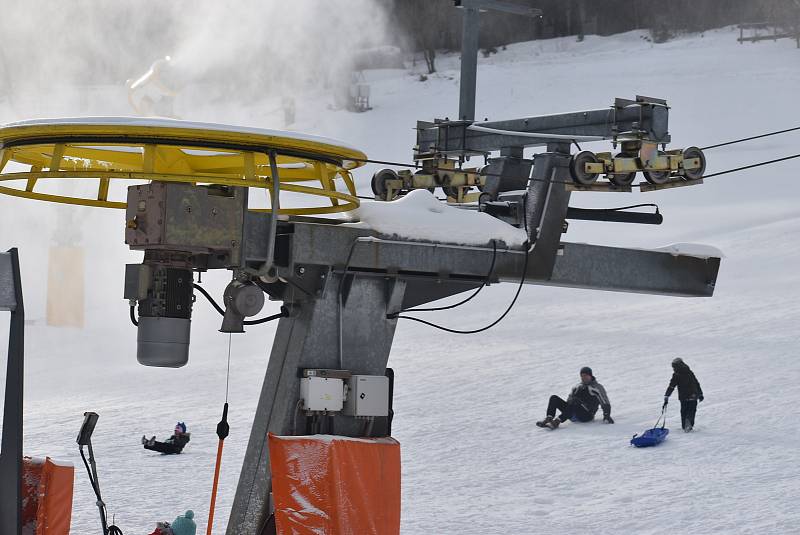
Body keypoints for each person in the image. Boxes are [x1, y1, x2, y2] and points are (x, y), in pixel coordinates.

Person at [536, 367, 613, 429]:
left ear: (590, 376)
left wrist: (607, 415)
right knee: (554, 398)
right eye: (582, 376)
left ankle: (557, 422)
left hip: (586, 416)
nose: (584, 378)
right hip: (573, 412)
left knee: (575, 401)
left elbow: (604, 401)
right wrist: (570, 403)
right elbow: (569, 400)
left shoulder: (596, 387)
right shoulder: (577, 387)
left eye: (586, 375)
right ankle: (549, 419)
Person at [664, 357, 703, 432]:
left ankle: (684, 425)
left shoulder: (676, 375)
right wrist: (700, 394)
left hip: (683, 396)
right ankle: (688, 424)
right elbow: (696, 383)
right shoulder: (689, 372)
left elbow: (671, 386)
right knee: (691, 410)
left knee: (684, 411)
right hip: (693, 395)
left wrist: (667, 395)